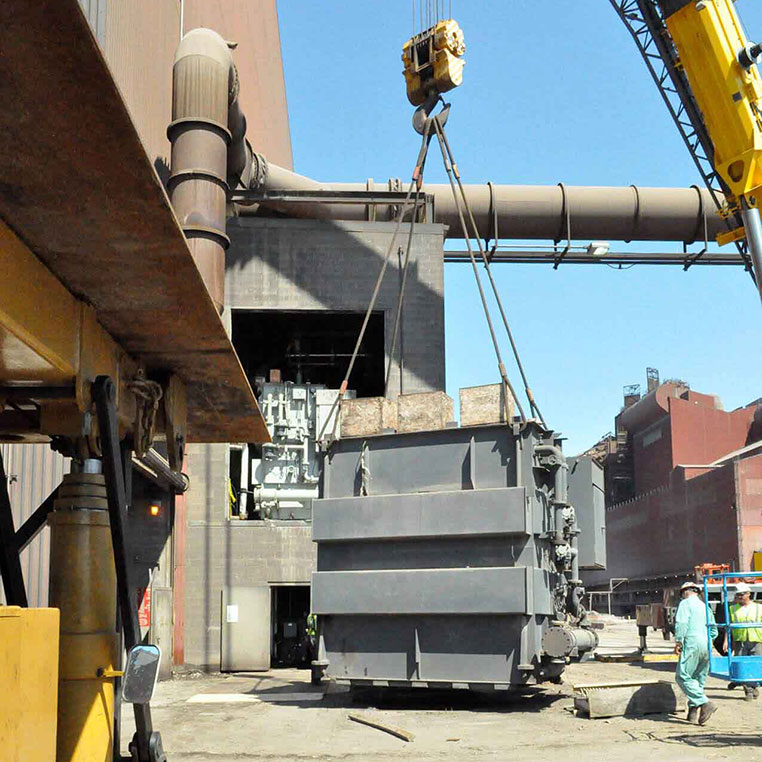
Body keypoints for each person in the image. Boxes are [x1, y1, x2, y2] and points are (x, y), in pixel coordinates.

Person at [674, 580, 718, 725]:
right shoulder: (705, 607)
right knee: (698, 679)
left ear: (685, 592)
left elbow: (681, 623)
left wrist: (679, 641)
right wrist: (708, 641)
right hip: (706, 644)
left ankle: (705, 703)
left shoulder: (685, 604)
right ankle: (693, 713)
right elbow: (714, 630)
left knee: (683, 676)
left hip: (691, 643)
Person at [726, 582, 762, 701]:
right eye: (738, 595)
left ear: (748, 594)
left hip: (756, 639)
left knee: (755, 665)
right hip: (740, 640)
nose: (740, 597)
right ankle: (749, 690)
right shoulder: (732, 609)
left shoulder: (759, 607)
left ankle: (753, 685)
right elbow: (728, 626)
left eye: (742, 594)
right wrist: (726, 640)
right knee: (742, 665)